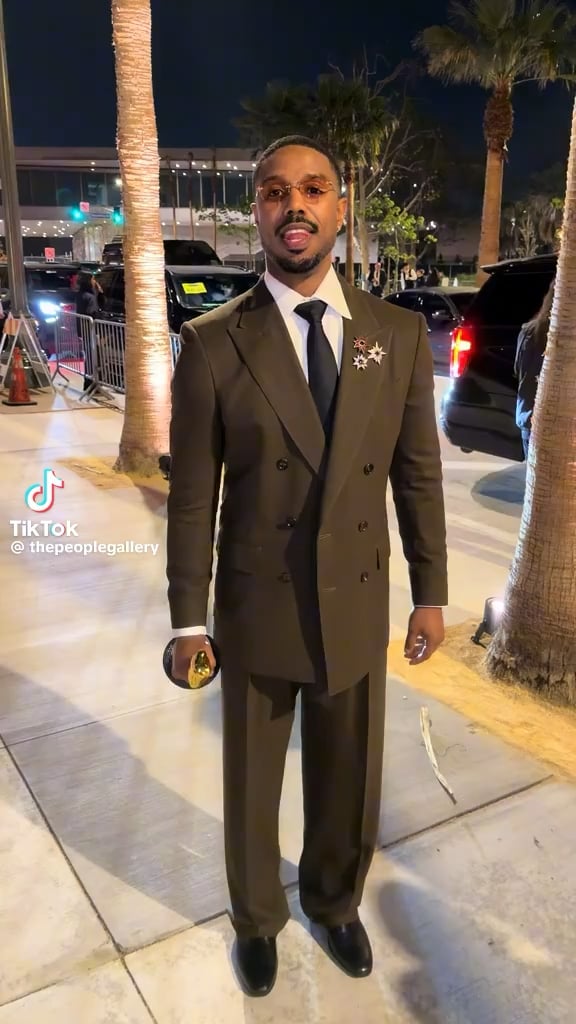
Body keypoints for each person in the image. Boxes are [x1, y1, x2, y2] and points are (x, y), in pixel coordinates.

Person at [167, 135, 447, 998]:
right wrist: (187, 621)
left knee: (349, 773)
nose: (296, 205)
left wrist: (431, 593)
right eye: (276, 191)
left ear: (340, 207)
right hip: (258, 602)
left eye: (314, 189)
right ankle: (257, 918)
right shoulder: (213, 343)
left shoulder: (395, 334)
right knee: (252, 781)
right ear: (257, 211)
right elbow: (194, 499)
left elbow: (416, 473)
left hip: (355, 598)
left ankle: (334, 900)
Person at [514, 279, 554, 459]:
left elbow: (518, 370)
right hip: (563, 427)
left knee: (534, 473)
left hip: (530, 418)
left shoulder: (529, 331)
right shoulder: (566, 337)